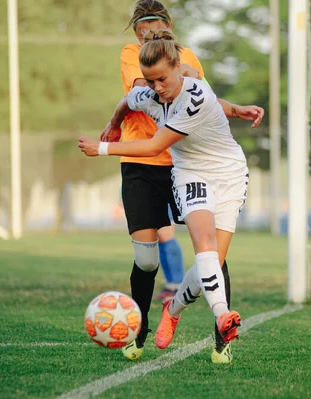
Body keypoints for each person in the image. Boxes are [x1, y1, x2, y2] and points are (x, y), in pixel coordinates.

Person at [79, 29, 264, 362]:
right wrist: (114, 121)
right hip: (190, 176)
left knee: (213, 264)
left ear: (179, 67)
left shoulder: (195, 96)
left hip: (230, 175)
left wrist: (102, 147)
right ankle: (223, 316)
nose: (156, 88)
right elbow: (128, 100)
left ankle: (173, 308)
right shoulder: (151, 93)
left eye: (162, 79)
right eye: (150, 81)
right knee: (204, 244)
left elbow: (154, 145)